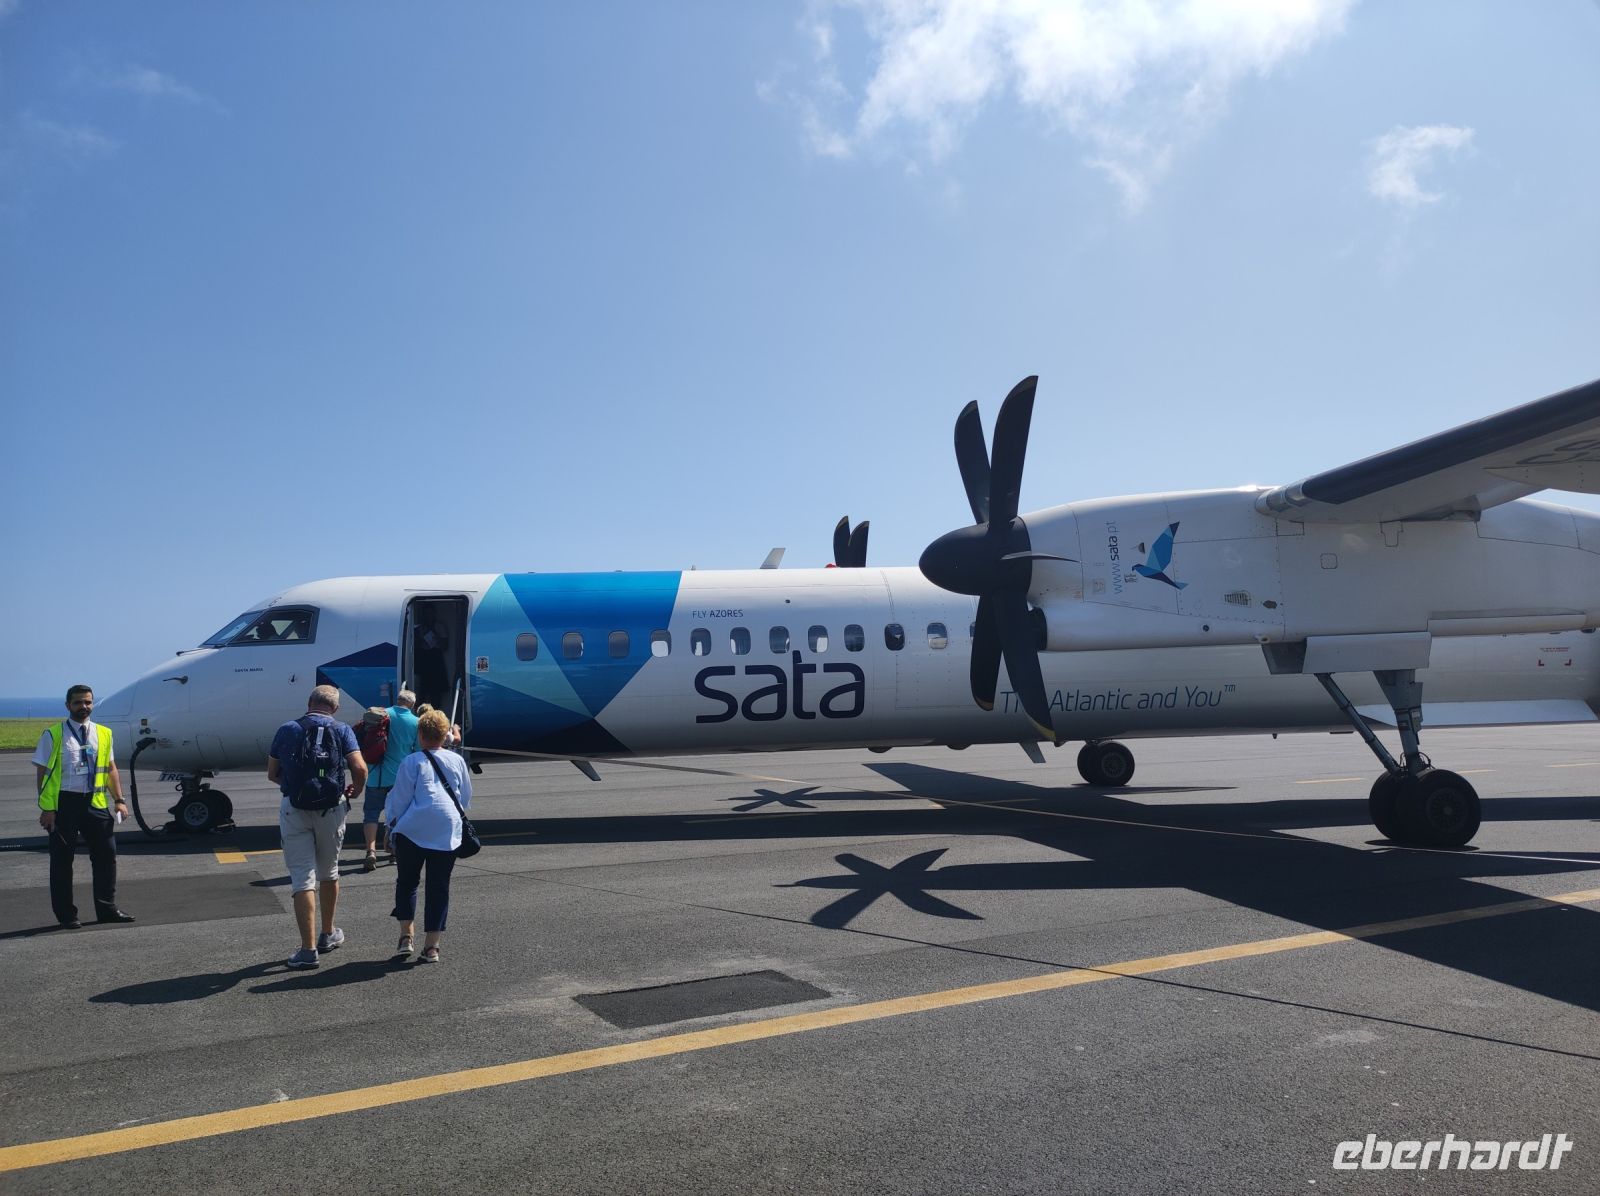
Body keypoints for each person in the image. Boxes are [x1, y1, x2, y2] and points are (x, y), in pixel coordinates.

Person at [267, 684, 367, 969]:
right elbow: (359, 768)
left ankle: (307, 950)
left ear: (308, 702)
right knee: (329, 872)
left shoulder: (287, 729)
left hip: (294, 808)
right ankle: (327, 934)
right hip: (331, 808)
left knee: (302, 879)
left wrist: (295, 788)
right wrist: (354, 791)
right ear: (334, 708)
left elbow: (272, 773)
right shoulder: (343, 730)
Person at [33, 685, 134, 929]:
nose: (84, 707)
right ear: (68, 705)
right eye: (78, 703)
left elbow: (110, 769)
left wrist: (119, 801)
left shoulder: (103, 734)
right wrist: (47, 809)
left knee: (106, 857)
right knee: (61, 862)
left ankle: (107, 909)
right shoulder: (54, 734)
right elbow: (43, 774)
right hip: (64, 804)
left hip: (95, 803)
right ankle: (67, 915)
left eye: (88, 702)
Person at [385, 708, 472, 963]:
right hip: (446, 831)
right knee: (438, 887)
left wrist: (391, 828)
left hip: (413, 831)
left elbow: (399, 800)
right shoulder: (456, 761)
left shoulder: (411, 762)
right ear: (445, 735)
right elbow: (465, 797)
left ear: (420, 734)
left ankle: (405, 936)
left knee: (407, 882)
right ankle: (432, 945)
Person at [360, 689, 420, 871]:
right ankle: (394, 851)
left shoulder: (380, 715)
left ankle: (371, 851)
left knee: (371, 814)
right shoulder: (416, 723)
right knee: (396, 815)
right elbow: (416, 751)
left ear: (397, 700)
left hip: (375, 775)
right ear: (412, 704)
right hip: (398, 777)